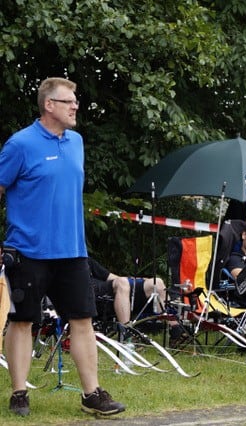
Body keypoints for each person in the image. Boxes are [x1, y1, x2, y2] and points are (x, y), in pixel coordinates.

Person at [0, 77, 125, 416]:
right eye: (69, 101)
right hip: (28, 251)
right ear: (49, 105)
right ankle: (19, 393)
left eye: (76, 101)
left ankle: (92, 394)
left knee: (83, 320)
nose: (75, 106)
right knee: (23, 321)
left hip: (72, 251)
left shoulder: (76, 142)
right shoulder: (20, 144)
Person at [89, 257, 168, 325]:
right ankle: (126, 331)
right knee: (122, 282)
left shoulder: (87, 261)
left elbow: (112, 277)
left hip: (114, 291)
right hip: (92, 296)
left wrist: (139, 280)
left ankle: (171, 328)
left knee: (156, 282)